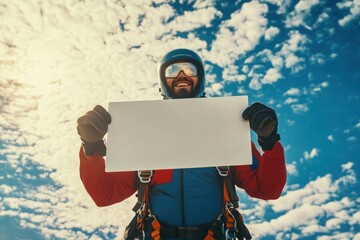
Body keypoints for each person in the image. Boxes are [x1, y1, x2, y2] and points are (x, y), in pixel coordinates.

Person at [77, 49, 286, 240]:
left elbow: (267, 189)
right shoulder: (142, 135)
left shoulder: (225, 130)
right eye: (173, 71)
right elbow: (104, 194)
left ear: (201, 78)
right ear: (163, 80)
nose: (182, 75)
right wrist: (90, 146)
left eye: (190, 70)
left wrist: (269, 142)